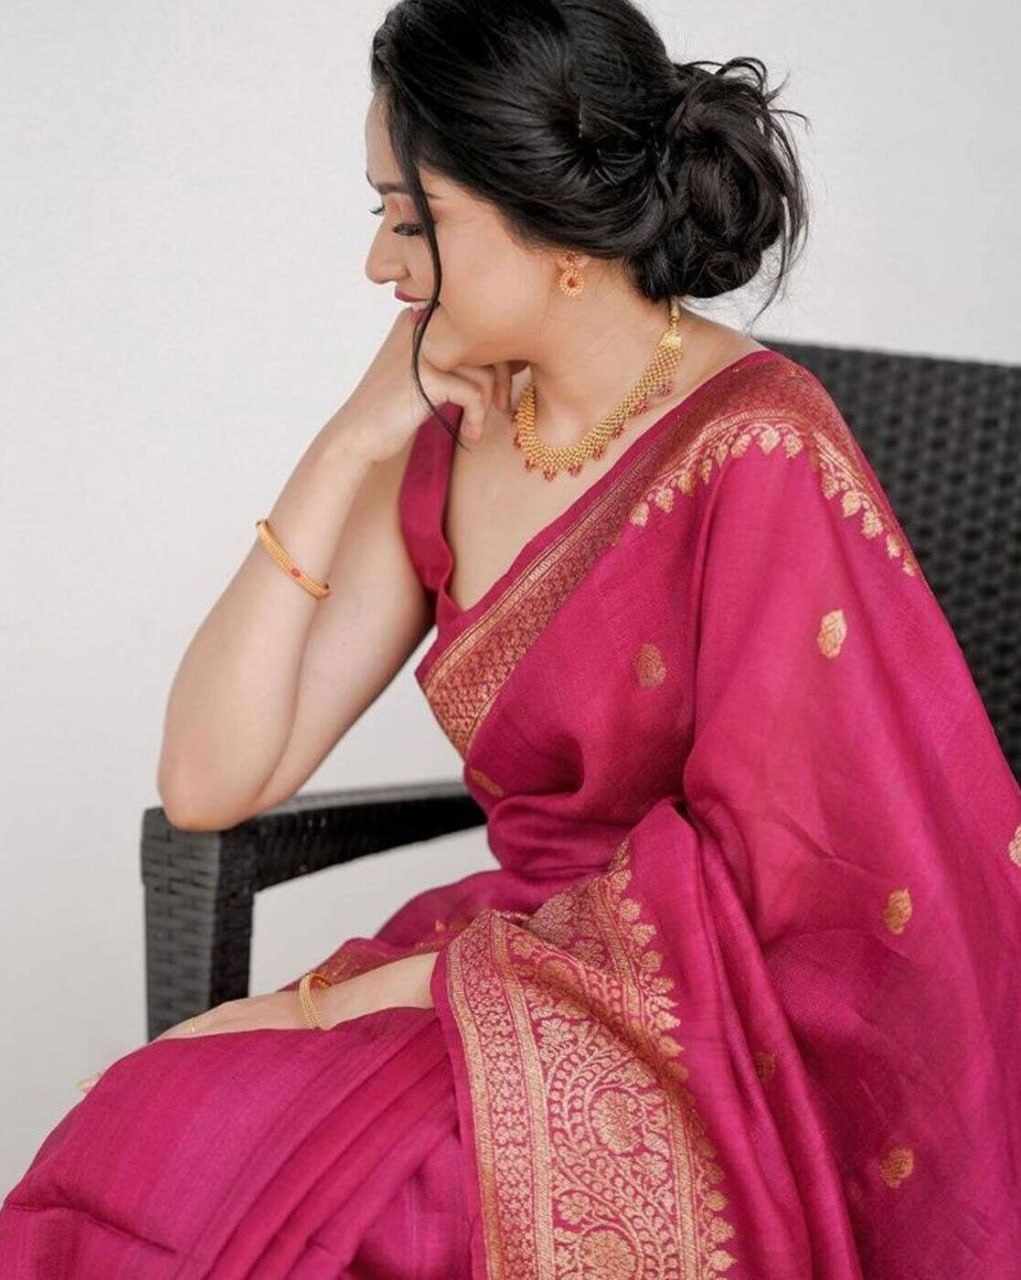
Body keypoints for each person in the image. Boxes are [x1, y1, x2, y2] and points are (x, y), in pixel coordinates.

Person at [3, 1, 1019, 1275]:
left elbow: (789, 871)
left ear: (553, 229)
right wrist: (347, 440)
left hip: (710, 1018)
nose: (378, 263)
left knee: (384, 1208)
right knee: (151, 1132)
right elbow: (210, 779)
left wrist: (325, 1000)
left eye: (410, 218)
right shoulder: (451, 430)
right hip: (497, 958)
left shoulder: (756, 442)